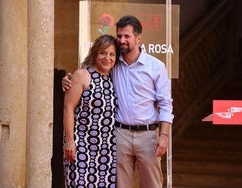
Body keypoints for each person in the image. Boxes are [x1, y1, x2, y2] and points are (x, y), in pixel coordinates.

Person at [62, 15, 174, 188]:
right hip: (119, 136)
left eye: (127, 36)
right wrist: (68, 79)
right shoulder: (113, 64)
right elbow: (87, 77)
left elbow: (166, 103)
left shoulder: (156, 66)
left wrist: (164, 135)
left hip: (148, 135)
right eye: (119, 36)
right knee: (120, 185)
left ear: (138, 38)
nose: (122, 40)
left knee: (153, 184)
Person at [63, 34, 120, 188]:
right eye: (103, 53)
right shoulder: (82, 75)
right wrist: (69, 141)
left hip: (107, 149)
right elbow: (68, 108)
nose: (107, 57)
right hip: (81, 145)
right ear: (95, 54)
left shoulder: (115, 78)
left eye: (112, 54)